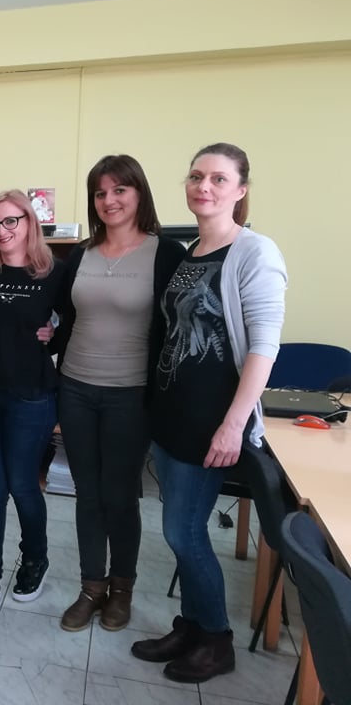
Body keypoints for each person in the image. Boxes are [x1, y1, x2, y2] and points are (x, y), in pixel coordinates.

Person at [131, 143, 287, 683]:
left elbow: (264, 347)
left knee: (184, 533)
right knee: (181, 529)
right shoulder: (190, 251)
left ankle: (217, 640)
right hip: (172, 418)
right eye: (197, 176)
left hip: (211, 424)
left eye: (219, 179)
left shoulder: (254, 252)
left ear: (240, 190)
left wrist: (233, 424)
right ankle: (192, 626)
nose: (204, 186)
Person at [52, 155, 185, 632]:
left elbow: (179, 328)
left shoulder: (166, 254)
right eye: (100, 193)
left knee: (121, 495)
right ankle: (92, 587)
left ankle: (122, 589)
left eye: (119, 190)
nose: (109, 200)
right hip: (75, 388)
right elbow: (64, 316)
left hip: (131, 395)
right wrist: (45, 335)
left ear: (139, 193)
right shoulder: (80, 254)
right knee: (87, 493)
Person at [0, 190, 65, 618]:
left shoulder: (55, 272)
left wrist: (53, 335)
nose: (1, 231)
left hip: (32, 395)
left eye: (10, 221)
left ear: (28, 222)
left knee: (22, 485)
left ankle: (35, 560)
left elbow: (75, 322)